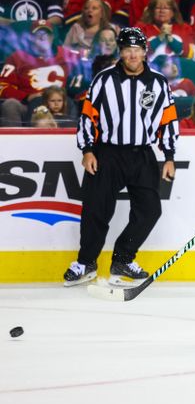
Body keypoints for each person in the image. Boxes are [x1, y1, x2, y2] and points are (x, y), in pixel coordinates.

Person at [65, 27, 179, 287]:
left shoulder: (158, 82)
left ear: (144, 52)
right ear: (121, 51)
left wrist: (169, 155)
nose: (132, 54)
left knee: (150, 209)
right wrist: (88, 150)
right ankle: (86, 262)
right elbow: (88, 117)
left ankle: (123, 259)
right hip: (107, 154)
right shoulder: (103, 80)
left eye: (137, 49)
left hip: (142, 155)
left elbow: (168, 119)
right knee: (96, 210)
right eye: (127, 49)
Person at [0, 20, 78, 126]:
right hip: (27, 107)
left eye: (47, 34)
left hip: (59, 106)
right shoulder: (17, 57)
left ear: (52, 37)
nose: (43, 38)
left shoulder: (66, 55)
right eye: (38, 34)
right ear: (31, 38)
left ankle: (74, 140)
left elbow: (88, 61)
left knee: (74, 102)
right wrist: (26, 97)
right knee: (10, 105)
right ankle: (15, 141)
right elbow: (2, 87)